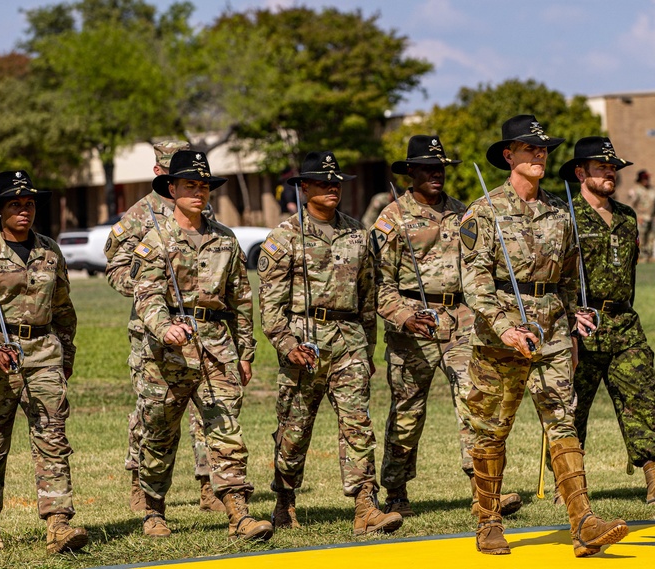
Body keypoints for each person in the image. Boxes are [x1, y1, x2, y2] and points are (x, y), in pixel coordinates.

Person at [459, 115, 628, 557]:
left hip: (550, 331)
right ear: (508, 156)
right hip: (499, 340)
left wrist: (574, 320)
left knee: (562, 423)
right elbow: (474, 281)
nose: (539, 155)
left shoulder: (559, 211)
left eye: (543, 149)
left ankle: (583, 523)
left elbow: (570, 275)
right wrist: (505, 327)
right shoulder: (484, 212)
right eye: (529, 149)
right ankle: (488, 521)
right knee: (491, 429)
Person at [371, 135, 522, 518]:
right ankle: (396, 490)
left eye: (440, 168)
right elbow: (377, 283)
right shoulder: (392, 218)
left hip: (461, 320)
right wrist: (404, 316)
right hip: (413, 327)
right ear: (410, 173)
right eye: (427, 168)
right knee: (407, 413)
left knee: (474, 401)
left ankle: (482, 489)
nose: (436, 174)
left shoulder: (462, 213)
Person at [259, 151, 402, 536]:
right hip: (304, 344)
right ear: (303, 187)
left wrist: (368, 349)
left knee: (357, 424)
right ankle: (284, 501)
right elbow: (270, 308)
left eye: (336, 181)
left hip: (349, 341)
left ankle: (364, 507)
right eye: (323, 182)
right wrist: (289, 345)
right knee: (294, 430)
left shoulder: (358, 234)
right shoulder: (284, 237)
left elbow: (368, 296)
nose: (332, 187)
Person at [132, 150, 272, 541]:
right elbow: (147, 297)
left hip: (216, 349)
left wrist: (245, 353)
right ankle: (154, 511)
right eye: (190, 185)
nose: (198, 191)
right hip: (166, 353)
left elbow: (241, 301)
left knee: (226, 430)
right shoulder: (154, 240)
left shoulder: (226, 240)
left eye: (203, 185)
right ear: (172, 188)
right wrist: (164, 328)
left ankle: (238, 514)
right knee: (159, 433)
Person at [558, 137, 655, 506]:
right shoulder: (563, 216)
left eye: (613, 167)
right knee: (573, 408)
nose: (610, 173)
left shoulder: (625, 216)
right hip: (579, 326)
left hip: (623, 323)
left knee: (640, 399)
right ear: (579, 172)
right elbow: (555, 275)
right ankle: (569, 489)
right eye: (601, 167)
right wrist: (567, 320)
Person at [0, 171, 88, 554]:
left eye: (29, 203)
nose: (24, 210)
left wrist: (66, 353)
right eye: (15, 204)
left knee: (52, 439)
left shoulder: (50, 251)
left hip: (43, 355)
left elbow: (63, 308)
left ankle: (58, 524)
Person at [104, 141, 223, 515]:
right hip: (154, 330)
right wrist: (149, 292)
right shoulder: (141, 215)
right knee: (153, 411)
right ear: (162, 176)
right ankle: (141, 484)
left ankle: (209, 486)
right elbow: (117, 267)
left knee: (208, 410)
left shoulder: (202, 208)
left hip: (201, 330)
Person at [626, 170, 655, 263]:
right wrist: (636, 217)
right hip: (641, 218)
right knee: (641, 238)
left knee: (651, 238)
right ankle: (641, 256)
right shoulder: (635, 190)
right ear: (640, 179)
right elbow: (631, 205)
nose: (646, 180)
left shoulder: (653, 190)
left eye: (647, 178)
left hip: (652, 218)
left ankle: (650, 255)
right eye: (644, 178)